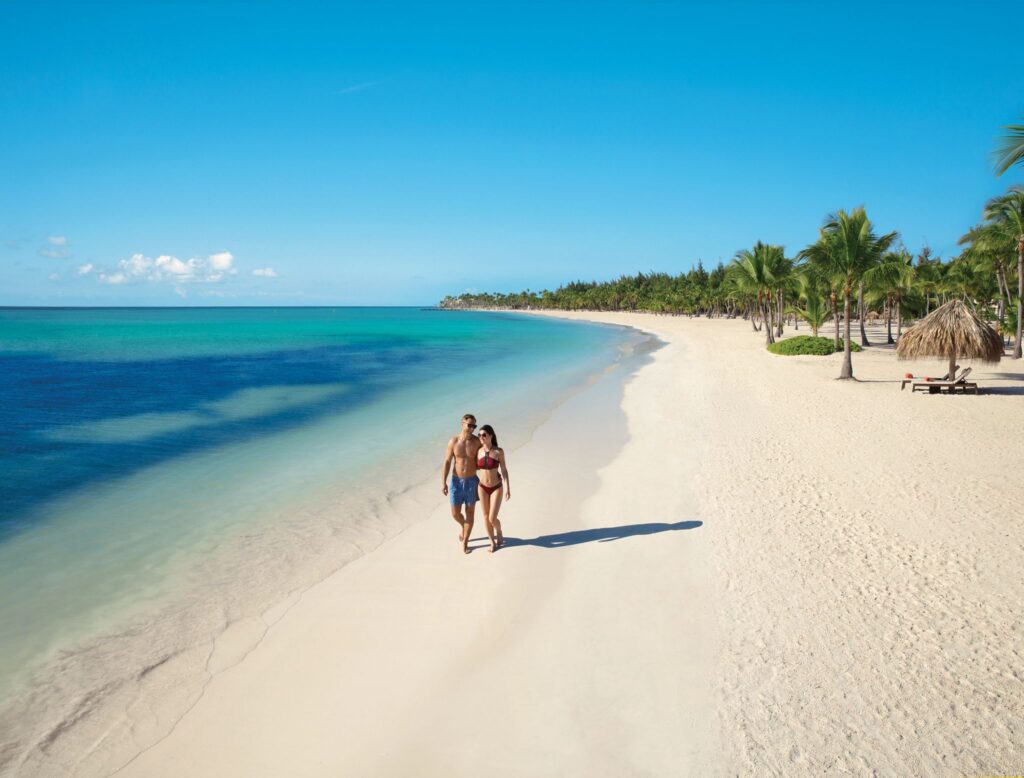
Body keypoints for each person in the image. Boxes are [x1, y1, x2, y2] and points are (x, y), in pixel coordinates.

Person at [442, 413, 483, 554]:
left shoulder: (477, 442)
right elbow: (447, 462)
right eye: (469, 425)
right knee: (455, 514)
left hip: (472, 481)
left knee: (470, 512)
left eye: (474, 426)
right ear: (462, 424)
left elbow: (485, 454)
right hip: (456, 482)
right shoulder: (453, 442)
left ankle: (465, 541)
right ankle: (464, 526)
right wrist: (443, 482)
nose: (472, 428)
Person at [476, 424, 510, 553]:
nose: (481, 437)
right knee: (485, 516)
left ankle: (499, 531)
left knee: (492, 518)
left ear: (491, 436)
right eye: (479, 435)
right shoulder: (478, 451)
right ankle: (491, 541)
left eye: (484, 435)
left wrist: (508, 488)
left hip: (496, 487)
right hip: (482, 487)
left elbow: (504, 469)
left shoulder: (498, 451)